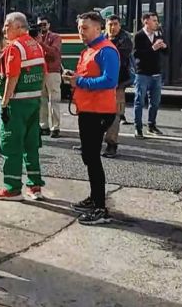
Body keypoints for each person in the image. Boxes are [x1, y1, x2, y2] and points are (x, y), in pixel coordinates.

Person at [67, 12, 119, 225]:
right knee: (89, 157)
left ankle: (100, 208)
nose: (81, 32)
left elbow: (109, 80)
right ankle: (94, 199)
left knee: (93, 158)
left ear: (98, 28)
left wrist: (80, 82)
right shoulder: (89, 50)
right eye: (80, 27)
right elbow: (88, 76)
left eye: (85, 27)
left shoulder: (106, 50)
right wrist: (75, 78)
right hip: (87, 110)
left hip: (99, 111)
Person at [0, 12, 46, 201]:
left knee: (11, 146)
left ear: (20, 27)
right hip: (33, 102)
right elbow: (43, 74)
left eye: (8, 25)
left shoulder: (15, 48)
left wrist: (5, 103)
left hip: (16, 105)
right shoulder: (35, 45)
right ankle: (35, 186)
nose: (4, 29)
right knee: (31, 145)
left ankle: (12, 188)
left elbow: (12, 77)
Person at [102, 15, 134, 158]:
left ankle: (111, 144)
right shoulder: (102, 38)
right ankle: (90, 142)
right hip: (101, 81)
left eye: (115, 24)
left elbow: (118, 58)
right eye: (110, 24)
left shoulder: (125, 39)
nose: (112, 27)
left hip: (119, 83)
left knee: (115, 114)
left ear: (119, 25)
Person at [133, 12, 167, 139]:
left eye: (157, 20)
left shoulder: (158, 34)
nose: (156, 23)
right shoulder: (139, 36)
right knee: (139, 101)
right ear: (146, 22)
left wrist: (164, 46)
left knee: (155, 102)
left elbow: (166, 52)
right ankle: (138, 128)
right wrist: (152, 48)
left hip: (156, 73)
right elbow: (136, 54)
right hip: (142, 73)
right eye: (154, 21)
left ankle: (151, 125)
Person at [35, 17, 62, 138]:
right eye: (40, 25)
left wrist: (41, 43)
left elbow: (54, 53)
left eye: (44, 24)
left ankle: (55, 127)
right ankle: (43, 126)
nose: (42, 26)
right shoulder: (35, 38)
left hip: (52, 71)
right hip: (40, 71)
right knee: (42, 100)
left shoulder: (55, 37)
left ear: (49, 25)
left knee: (54, 100)